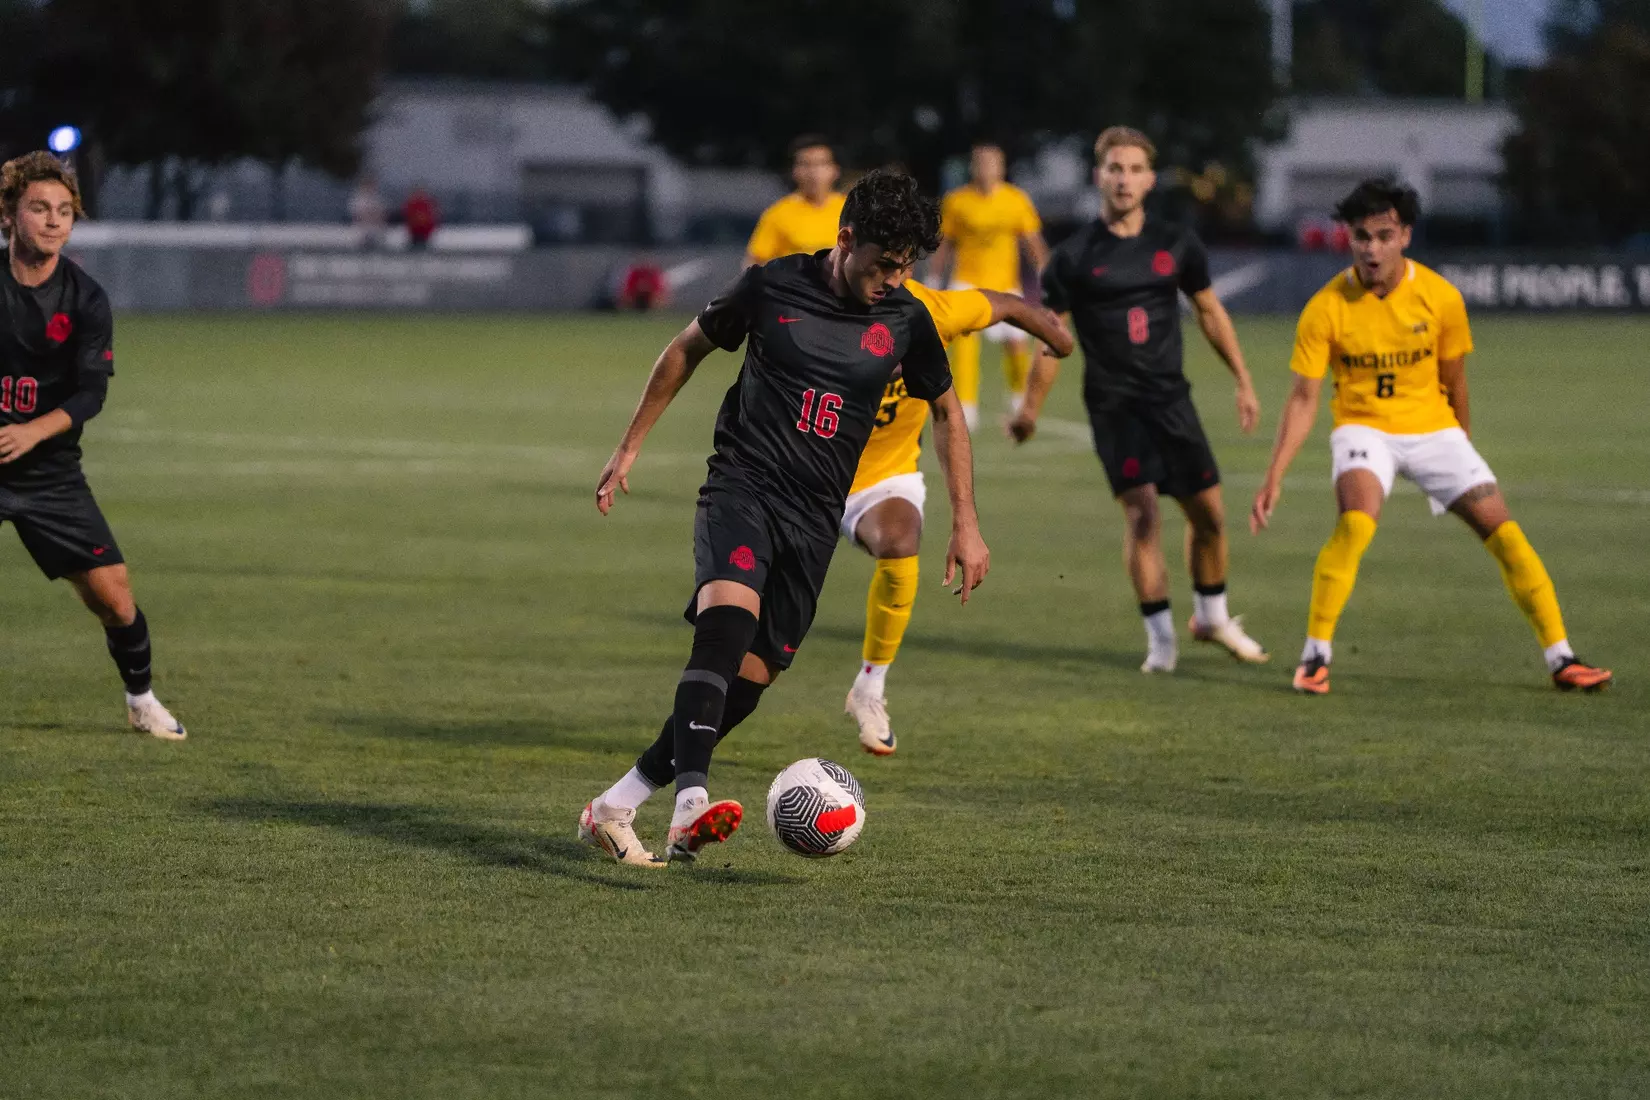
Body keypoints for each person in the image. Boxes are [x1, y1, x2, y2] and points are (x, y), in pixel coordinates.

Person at [580, 169, 987, 867]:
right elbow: (687, 347)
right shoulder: (772, 287)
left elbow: (947, 411)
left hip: (815, 515)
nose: (894, 279)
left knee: (754, 677)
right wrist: (629, 446)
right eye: (884, 264)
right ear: (845, 238)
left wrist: (967, 521)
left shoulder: (906, 319)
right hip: (742, 484)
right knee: (724, 625)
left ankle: (616, 804)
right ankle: (691, 806)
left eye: (906, 267)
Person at [1250, 179, 1612, 695]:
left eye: (1383, 234)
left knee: (1507, 535)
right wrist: (1274, 476)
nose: (1372, 248)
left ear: (1405, 236)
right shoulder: (1325, 308)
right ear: (1348, 239)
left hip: (1434, 429)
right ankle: (1315, 657)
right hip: (1363, 427)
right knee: (1355, 524)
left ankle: (1563, 659)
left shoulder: (1440, 297)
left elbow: (1454, 381)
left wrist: (1461, 447)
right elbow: (1304, 399)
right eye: (1361, 236)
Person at [1010, 126, 1266, 674]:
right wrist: (1030, 408)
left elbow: (1209, 311)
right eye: (1114, 169)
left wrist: (1243, 379)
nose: (1123, 179)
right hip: (1113, 406)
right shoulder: (1073, 258)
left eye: (1133, 169)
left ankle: (1213, 618)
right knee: (1144, 515)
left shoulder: (1177, 242)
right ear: (1098, 176)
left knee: (1212, 519)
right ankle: (1162, 641)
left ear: (1150, 179)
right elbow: (1053, 340)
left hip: (1172, 401)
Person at [841, 278, 1072, 754]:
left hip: (880, 475)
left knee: (902, 538)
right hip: (797, 470)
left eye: (903, 261)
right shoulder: (813, 300)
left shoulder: (931, 308)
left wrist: (1058, 337)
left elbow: (1006, 305)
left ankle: (870, 687)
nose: (891, 275)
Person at [0, 152, 186, 738]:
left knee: (114, 598)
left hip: (48, 470)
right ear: (8, 214)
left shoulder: (86, 300)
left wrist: (33, 430)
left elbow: (90, 396)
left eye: (64, 212)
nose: (53, 221)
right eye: (39, 208)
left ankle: (141, 700)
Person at [929, 143, 1049, 428]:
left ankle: (1020, 397)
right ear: (972, 167)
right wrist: (934, 279)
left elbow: (1032, 242)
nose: (985, 169)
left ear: (1002, 167)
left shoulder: (1015, 199)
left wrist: (1047, 273)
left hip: (1006, 283)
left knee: (1017, 343)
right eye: (980, 163)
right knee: (966, 346)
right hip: (967, 281)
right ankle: (967, 405)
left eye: (992, 163)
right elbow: (945, 243)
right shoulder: (957, 201)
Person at [741, 136, 846, 268]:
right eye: (806, 164)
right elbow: (754, 262)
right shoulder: (778, 214)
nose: (813, 172)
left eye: (821, 164)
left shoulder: (850, 210)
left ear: (835, 170)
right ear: (794, 171)